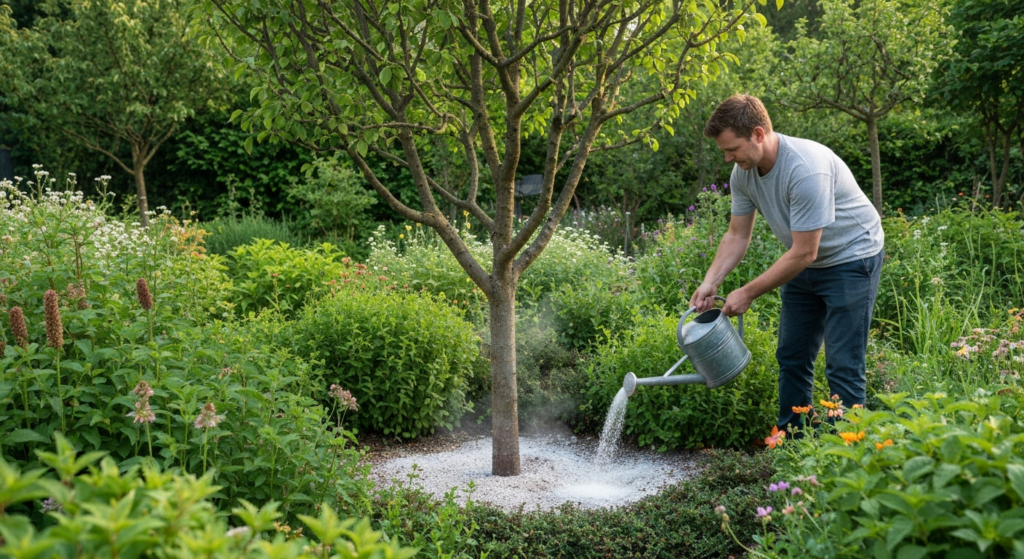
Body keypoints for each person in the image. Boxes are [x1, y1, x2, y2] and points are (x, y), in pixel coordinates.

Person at [690, 94, 884, 432]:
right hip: (803, 263)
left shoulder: (806, 168)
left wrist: (748, 292)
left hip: (851, 259)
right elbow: (737, 235)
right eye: (723, 151)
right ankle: (792, 441)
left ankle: (847, 452)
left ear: (758, 134)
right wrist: (712, 281)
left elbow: (805, 251)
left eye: (732, 148)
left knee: (843, 365)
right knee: (792, 357)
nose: (727, 158)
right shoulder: (743, 174)